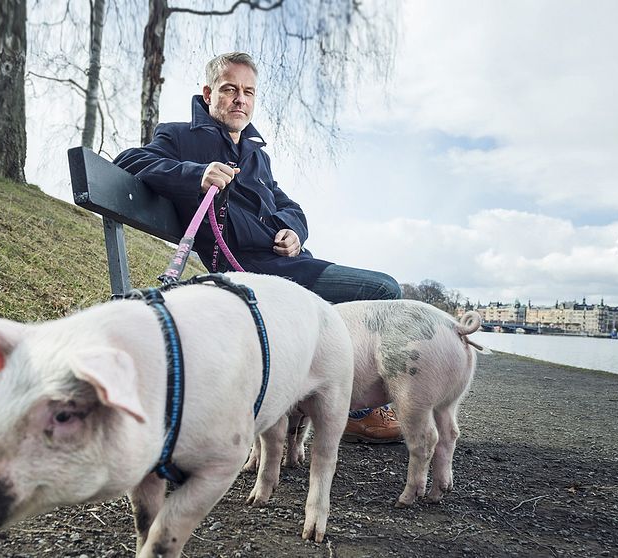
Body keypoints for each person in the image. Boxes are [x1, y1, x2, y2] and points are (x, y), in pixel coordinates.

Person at [113, 52, 402, 444]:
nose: (240, 100)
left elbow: (288, 205)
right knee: (383, 290)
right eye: (230, 89)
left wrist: (292, 230)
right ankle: (357, 412)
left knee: (377, 295)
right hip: (250, 271)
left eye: (248, 92)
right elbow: (130, 160)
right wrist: (196, 174)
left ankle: (334, 406)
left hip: (289, 264)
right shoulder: (180, 136)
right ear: (208, 92)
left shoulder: (256, 155)